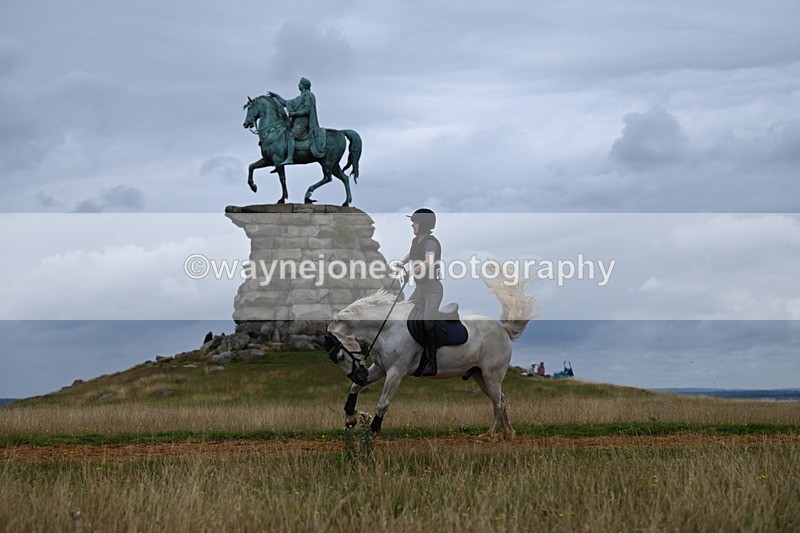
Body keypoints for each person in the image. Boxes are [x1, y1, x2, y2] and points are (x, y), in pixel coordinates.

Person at [401, 208, 443, 376]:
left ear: (424, 224)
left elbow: (429, 261)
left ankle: (432, 361)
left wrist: (412, 272)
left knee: (427, 322)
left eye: (415, 222)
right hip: (420, 289)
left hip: (432, 289)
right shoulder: (416, 240)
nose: (412, 225)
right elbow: (412, 255)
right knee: (405, 315)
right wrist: (401, 263)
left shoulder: (431, 242)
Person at [267, 77, 326, 168]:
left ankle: (290, 158)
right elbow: (286, 103)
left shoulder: (308, 96)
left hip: (304, 123)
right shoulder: (299, 98)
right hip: (296, 123)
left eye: (300, 83)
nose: (298, 85)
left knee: (291, 135)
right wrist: (276, 96)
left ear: (304, 85)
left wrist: (294, 113)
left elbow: (307, 110)